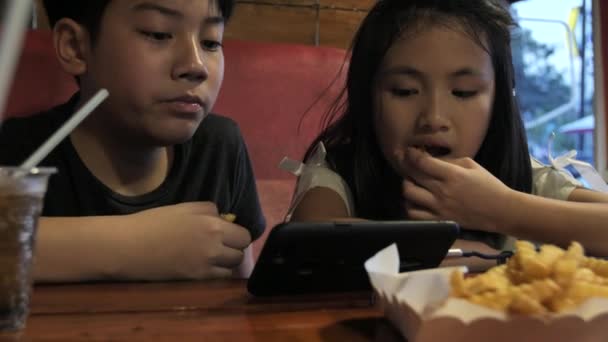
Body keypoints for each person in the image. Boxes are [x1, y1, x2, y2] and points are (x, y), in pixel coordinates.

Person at [286, 0, 608, 267]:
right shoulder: (340, 169)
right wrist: (485, 256)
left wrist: (502, 210)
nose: (434, 118)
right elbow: (316, 239)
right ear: (366, 95)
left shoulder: (522, 178)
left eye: (464, 92)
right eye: (405, 90)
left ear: (498, 101)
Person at [0, 0, 265, 281]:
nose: (196, 66)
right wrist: (141, 246)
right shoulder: (18, 150)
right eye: (159, 34)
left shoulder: (219, 148)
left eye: (211, 42)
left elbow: (240, 299)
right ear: (75, 46)